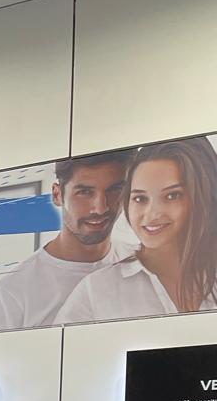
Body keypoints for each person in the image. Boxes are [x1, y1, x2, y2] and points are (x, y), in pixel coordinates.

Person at [57, 138, 217, 323]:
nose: (151, 214)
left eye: (172, 195)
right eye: (140, 198)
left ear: (205, 197)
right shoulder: (97, 291)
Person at [0, 152, 131, 331]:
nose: (101, 207)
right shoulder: (9, 297)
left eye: (114, 190)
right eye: (85, 192)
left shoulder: (143, 265)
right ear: (57, 195)